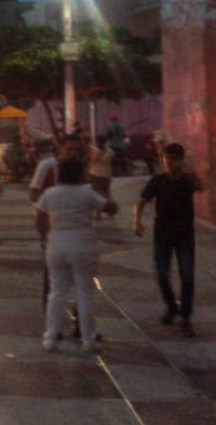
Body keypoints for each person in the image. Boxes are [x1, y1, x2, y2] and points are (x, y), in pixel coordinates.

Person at [35, 159, 118, 353]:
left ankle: (50, 338)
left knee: (56, 293)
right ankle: (88, 340)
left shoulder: (50, 194)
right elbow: (111, 208)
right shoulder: (86, 193)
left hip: (56, 242)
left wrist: (46, 238)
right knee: (84, 293)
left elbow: (39, 219)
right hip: (83, 243)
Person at [133, 142, 205, 338]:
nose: (169, 163)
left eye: (174, 159)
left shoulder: (187, 180)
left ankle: (185, 317)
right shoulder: (158, 180)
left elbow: (201, 187)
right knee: (162, 274)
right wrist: (137, 222)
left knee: (187, 276)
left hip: (184, 235)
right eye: (166, 159)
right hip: (162, 234)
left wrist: (188, 169)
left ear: (181, 160)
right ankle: (172, 306)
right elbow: (141, 201)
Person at [88, 135, 114, 214]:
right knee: (106, 193)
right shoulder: (111, 151)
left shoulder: (94, 150)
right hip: (105, 175)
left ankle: (98, 213)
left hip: (95, 174)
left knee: (96, 194)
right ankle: (109, 210)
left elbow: (92, 160)